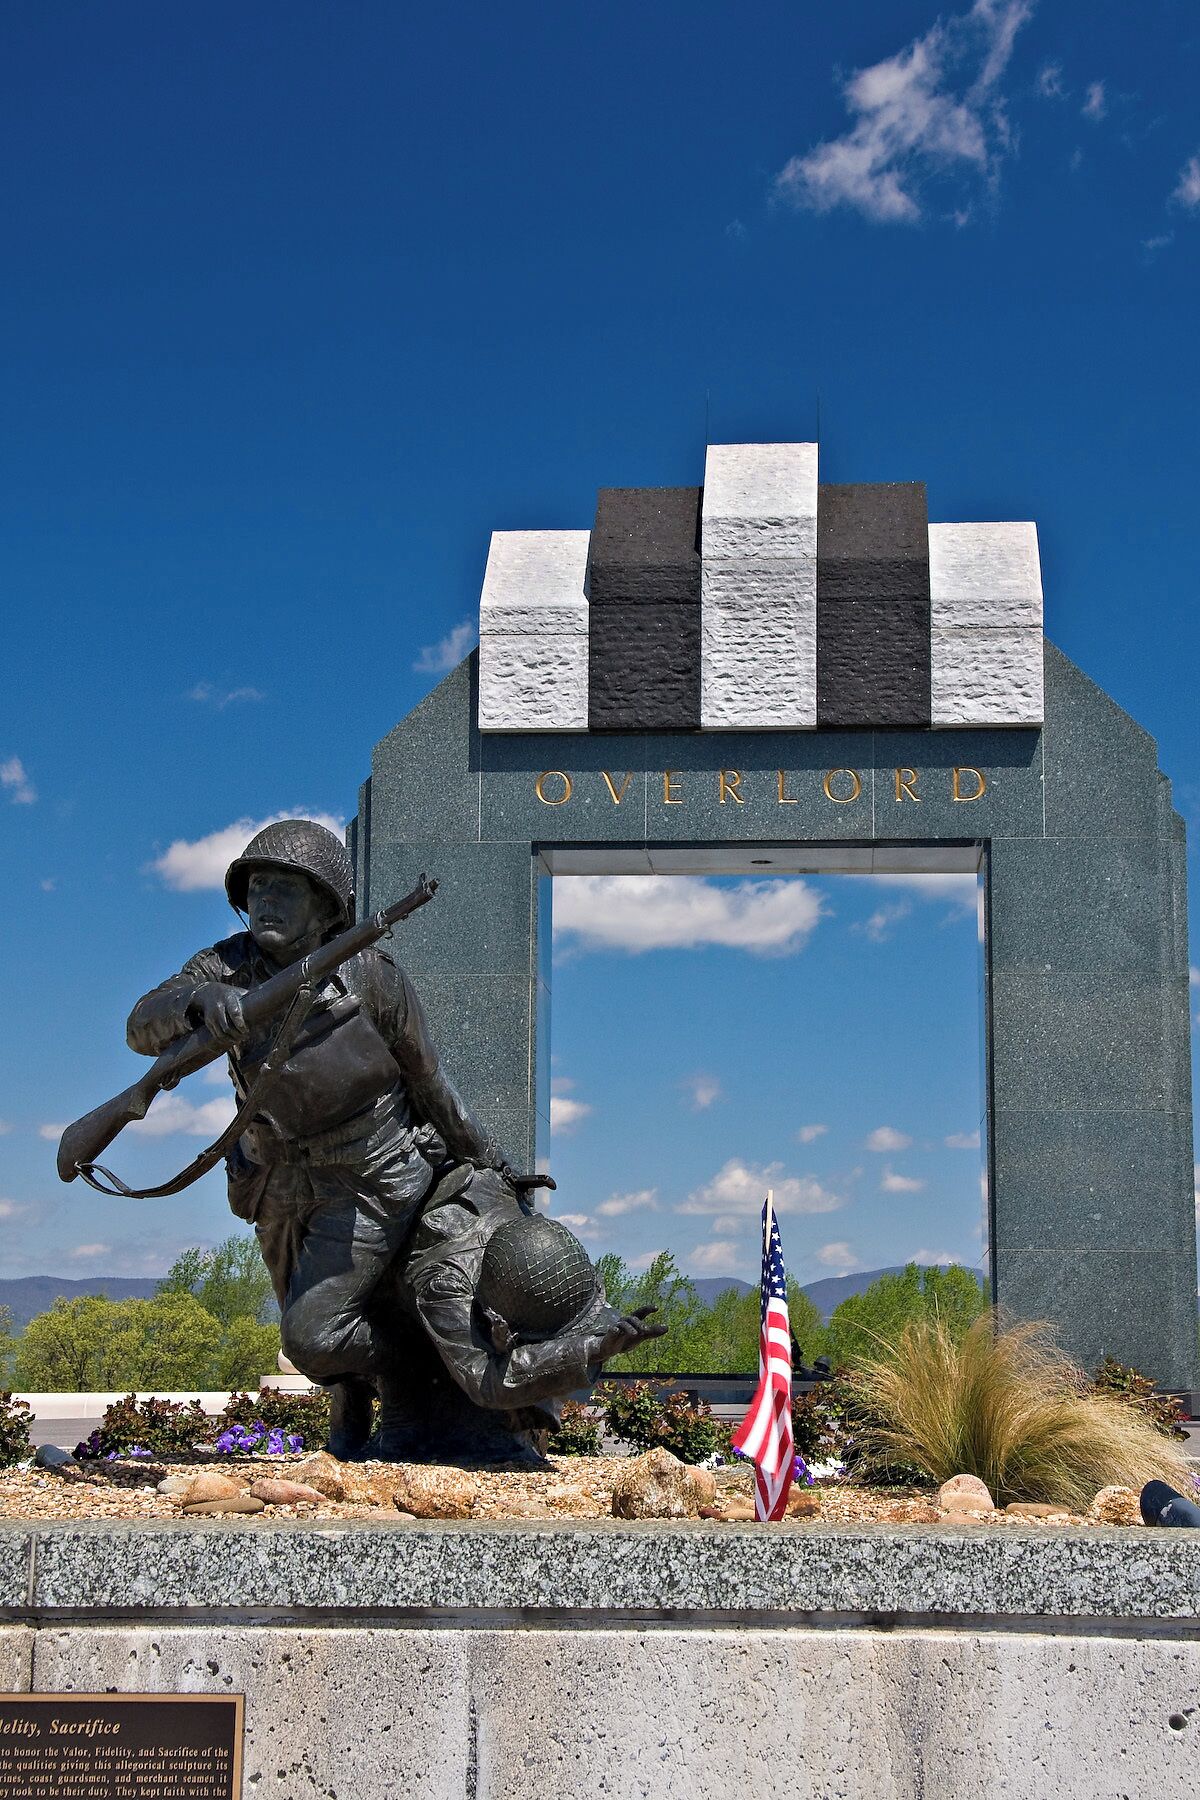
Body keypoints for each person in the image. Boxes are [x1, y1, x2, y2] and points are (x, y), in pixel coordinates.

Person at [126, 818, 506, 1457]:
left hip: (369, 1174)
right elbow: (141, 1026)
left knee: (312, 1336)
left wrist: (480, 1154)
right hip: (272, 1177)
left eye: (285, 888)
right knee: (304, 1323)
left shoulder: (371, 975)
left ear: (326, 903)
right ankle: (351, 1408)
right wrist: (197, 1001)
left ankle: (407, 1368)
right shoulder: (225, 964)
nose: (265, 900)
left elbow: (427, 1078)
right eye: (258, 887)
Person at [391, 1165, 665, 1456]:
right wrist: (592, 1348)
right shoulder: (444, 1287)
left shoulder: (531, 1234)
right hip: (392, 1314)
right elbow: (485, 1380)